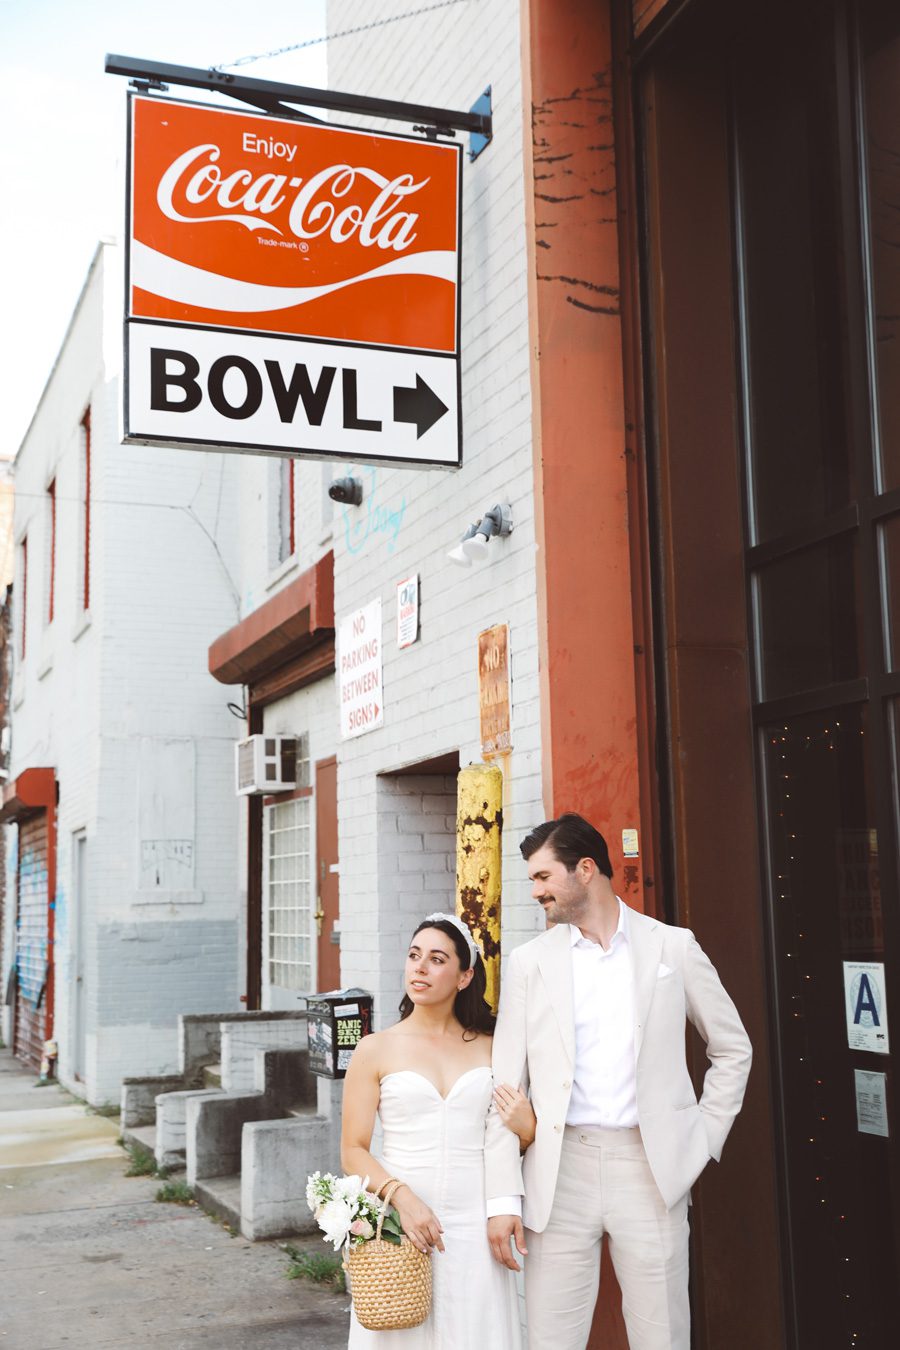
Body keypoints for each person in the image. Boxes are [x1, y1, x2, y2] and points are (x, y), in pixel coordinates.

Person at [485, 814, 752, 1350]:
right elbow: (504, 1086)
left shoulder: (672, 947)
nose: (534, 891)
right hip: (559, 1172)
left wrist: (700, 1139)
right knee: (551, 1339)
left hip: (649, 1169)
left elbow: (732, 1048)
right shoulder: (529, 963)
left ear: (585, 870)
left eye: (542, 877)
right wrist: (501, 1198)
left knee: (663, 1336)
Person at [341, 911, 532, 1348]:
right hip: (402, 1217)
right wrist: (403, 1200)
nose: (420, 968)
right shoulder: (375, 1048)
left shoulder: (493, 1046)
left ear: (465, 976)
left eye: (437, 958)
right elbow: (353, 1150)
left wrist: (528, 1131)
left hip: (476, 1219)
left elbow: (506, 1134)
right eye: (414, 955)